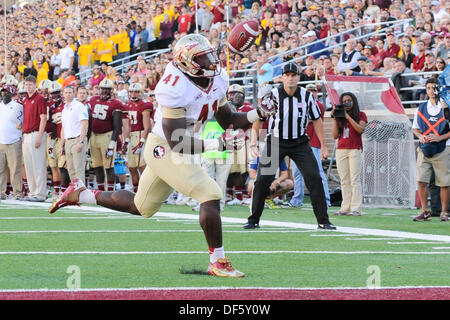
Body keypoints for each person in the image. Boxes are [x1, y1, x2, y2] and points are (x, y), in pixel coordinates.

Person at [49, 34, 277, 277]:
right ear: (188, 62)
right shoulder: (173, 86)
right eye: (203, 58)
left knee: (142, 207)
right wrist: (217, 143)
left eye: (210, 54)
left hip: (180, 147)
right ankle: (218, 262)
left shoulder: (217, 78)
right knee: (210, 194)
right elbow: (177, 141)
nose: (212, 61)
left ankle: (81, 193)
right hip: (165, 148)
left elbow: (228, 119)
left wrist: (258, 113)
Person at [244, 62, 336, 230]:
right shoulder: (272, 96)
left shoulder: (307, 96)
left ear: (298, 77)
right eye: (287, 75)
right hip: (276, 141)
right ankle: (253, 220)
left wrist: (324, 146)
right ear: (283, 78)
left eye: (294, 75)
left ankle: (324, 221)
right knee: (262, 180)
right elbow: (259, 120)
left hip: (300, 142)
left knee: (314, 178)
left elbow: (317, 120)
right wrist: (253, 143)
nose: (291, 78)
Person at [412, 78, 450, 222]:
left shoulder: (446, 106)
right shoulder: (421, 108)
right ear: (426, 90)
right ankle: (425, 210)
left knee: (444, 182)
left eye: (434, 88)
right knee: (421, 180)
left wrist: (440, 138)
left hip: (443, 148)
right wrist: (421, 136)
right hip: (425, 148)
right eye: (428, 88)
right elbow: (415, 128)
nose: (432, 90)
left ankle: (444, 211)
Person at [289, 84, 331, 208]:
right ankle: (297, 200)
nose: (313, 93)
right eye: (310, 91)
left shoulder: (318, 105)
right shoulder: (301, 103)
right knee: (297, 174)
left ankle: (326, 200)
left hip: (313, 143)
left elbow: (307, 117)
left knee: (318, 172)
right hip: (299, 143)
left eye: (314, 91)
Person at [331, 92, 368, 216]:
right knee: (344, 180)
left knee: (355, 179)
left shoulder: (361, 114)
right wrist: (336, 118)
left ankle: (356, 208)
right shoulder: (340, 115)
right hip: (341, 149)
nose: (347, 103)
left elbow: (360, 130)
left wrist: (348, 117)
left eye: (349, 100)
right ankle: (345, 207)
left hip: (355, 149)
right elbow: (335, 135)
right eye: (344, 101)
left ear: (354, 102)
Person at [86, 79, 124, 191]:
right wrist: (87, 141)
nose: (104, 92)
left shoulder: (116, 103)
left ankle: (110, 191)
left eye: (107, 90)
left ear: (111, 91)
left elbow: (117, 126)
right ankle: (101, 191)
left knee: (109, 166)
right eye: (103, 89)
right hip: (93, 135)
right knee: (96, 165)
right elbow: (89, 122)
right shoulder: (93, 100)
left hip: (107, 136)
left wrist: (112, 143)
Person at [226, 84, 254, 205]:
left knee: (244, 169)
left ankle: (244, 194)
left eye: (235, 94)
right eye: (231, 94)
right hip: (229, 141)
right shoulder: (227, 108)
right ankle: (231, 194)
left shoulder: (248, 108)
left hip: (244, 141)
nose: (232, 97)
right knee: (231, 169)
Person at [123, 83, 153, 192]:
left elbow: (147, 126)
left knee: (141, 165)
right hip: (131, 135)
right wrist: (125, 141)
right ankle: (137, 190)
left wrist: (142, 142)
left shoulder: (145, 105)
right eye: (131, 91)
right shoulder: (128, 105)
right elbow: (127, 126)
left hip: (140, 134)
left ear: (141, 93)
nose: (133, 94)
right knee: (131, 167)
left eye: (136, 91)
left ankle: (147, 190)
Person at [22, 75, 48, 202]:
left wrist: (39, 136)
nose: (28, 87)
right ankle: (32, 192)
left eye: (30, 84)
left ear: (35, 84)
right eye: (26, 84)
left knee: (38, 164)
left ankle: (40, 193)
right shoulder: (25, 100)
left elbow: (43, 118)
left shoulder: (39, 98)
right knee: (29, 165)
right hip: (26, 134)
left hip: (36, 133)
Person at [59, 86, 89, 182]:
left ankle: (81, 194)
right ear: (63, 94)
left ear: (74, 93)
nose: (68, 94)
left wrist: (81, 141)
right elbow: (63, 128)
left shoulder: (79, 106)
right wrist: (61, 145)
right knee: (71, 170)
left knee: (78, 169)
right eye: (66, 92)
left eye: (70, 92)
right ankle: (74, 193)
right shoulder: (64, 109)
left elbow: (84, 123)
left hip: (77, 139)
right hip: (68, 140)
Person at [0, 85, 23, 200]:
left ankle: (17, 193)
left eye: (7, 92)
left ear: (12, 93)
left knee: (15, 169)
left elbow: (22, 122)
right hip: (1, 141)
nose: (4, 95)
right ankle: (1, 192)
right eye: (3, 92)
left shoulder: (17, 106)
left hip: (14, 141)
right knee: (0, 169)